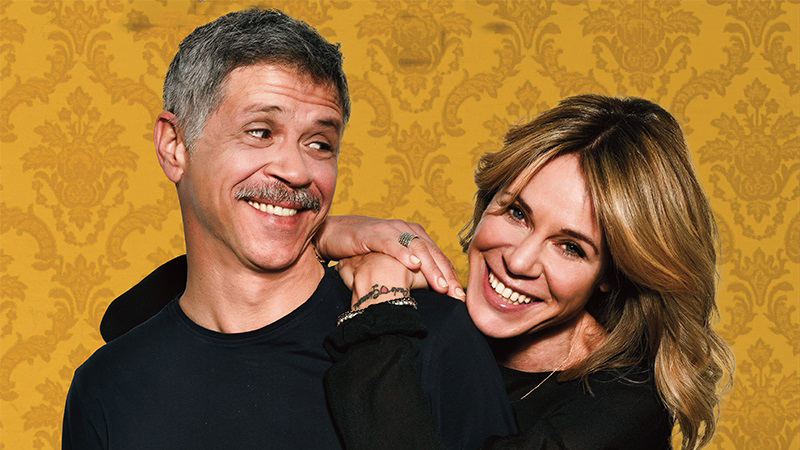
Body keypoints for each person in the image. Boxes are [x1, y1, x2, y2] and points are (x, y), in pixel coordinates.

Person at [62, 9, 516, 449]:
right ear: (174, 145)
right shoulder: (107, 386)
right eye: (261, 132)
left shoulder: (429, 339)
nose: (297, 171)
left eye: (319, 144)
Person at [322, 95, 734, 449]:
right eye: (518, 213)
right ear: (489, 200)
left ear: (612, 273)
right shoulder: (428, 320)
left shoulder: (624, 410)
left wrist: (380, 301)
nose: (519, 262)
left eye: (571, 247)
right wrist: (329, 232)